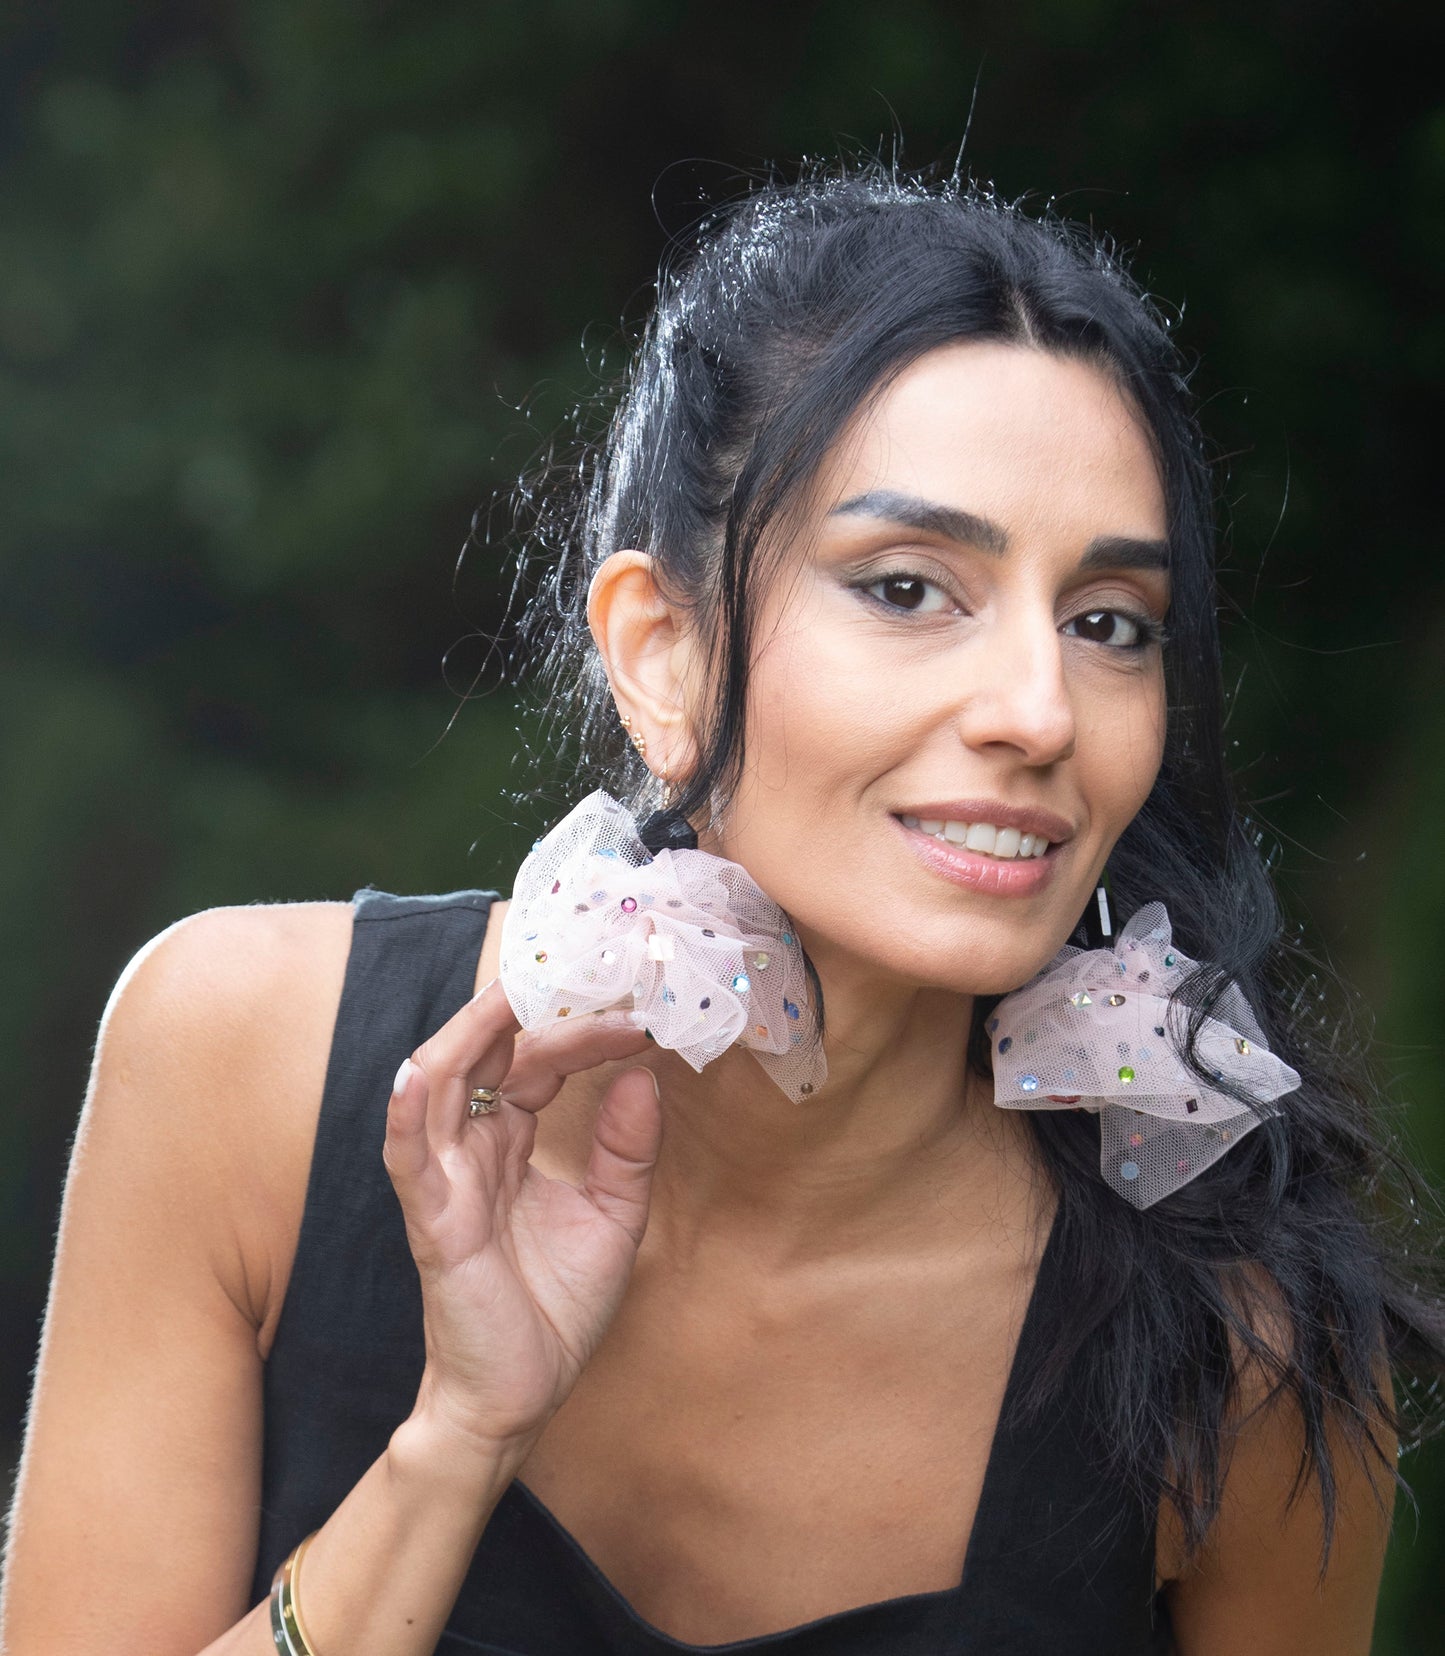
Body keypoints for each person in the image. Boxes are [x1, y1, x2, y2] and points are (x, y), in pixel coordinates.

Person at [3, 166, 1440, 1656]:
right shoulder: (240, 1061)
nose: (1038, 709)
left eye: (1106, 625)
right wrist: (455, 1443)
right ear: (662, 653)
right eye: (905, 587)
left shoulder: (1240, 1355)